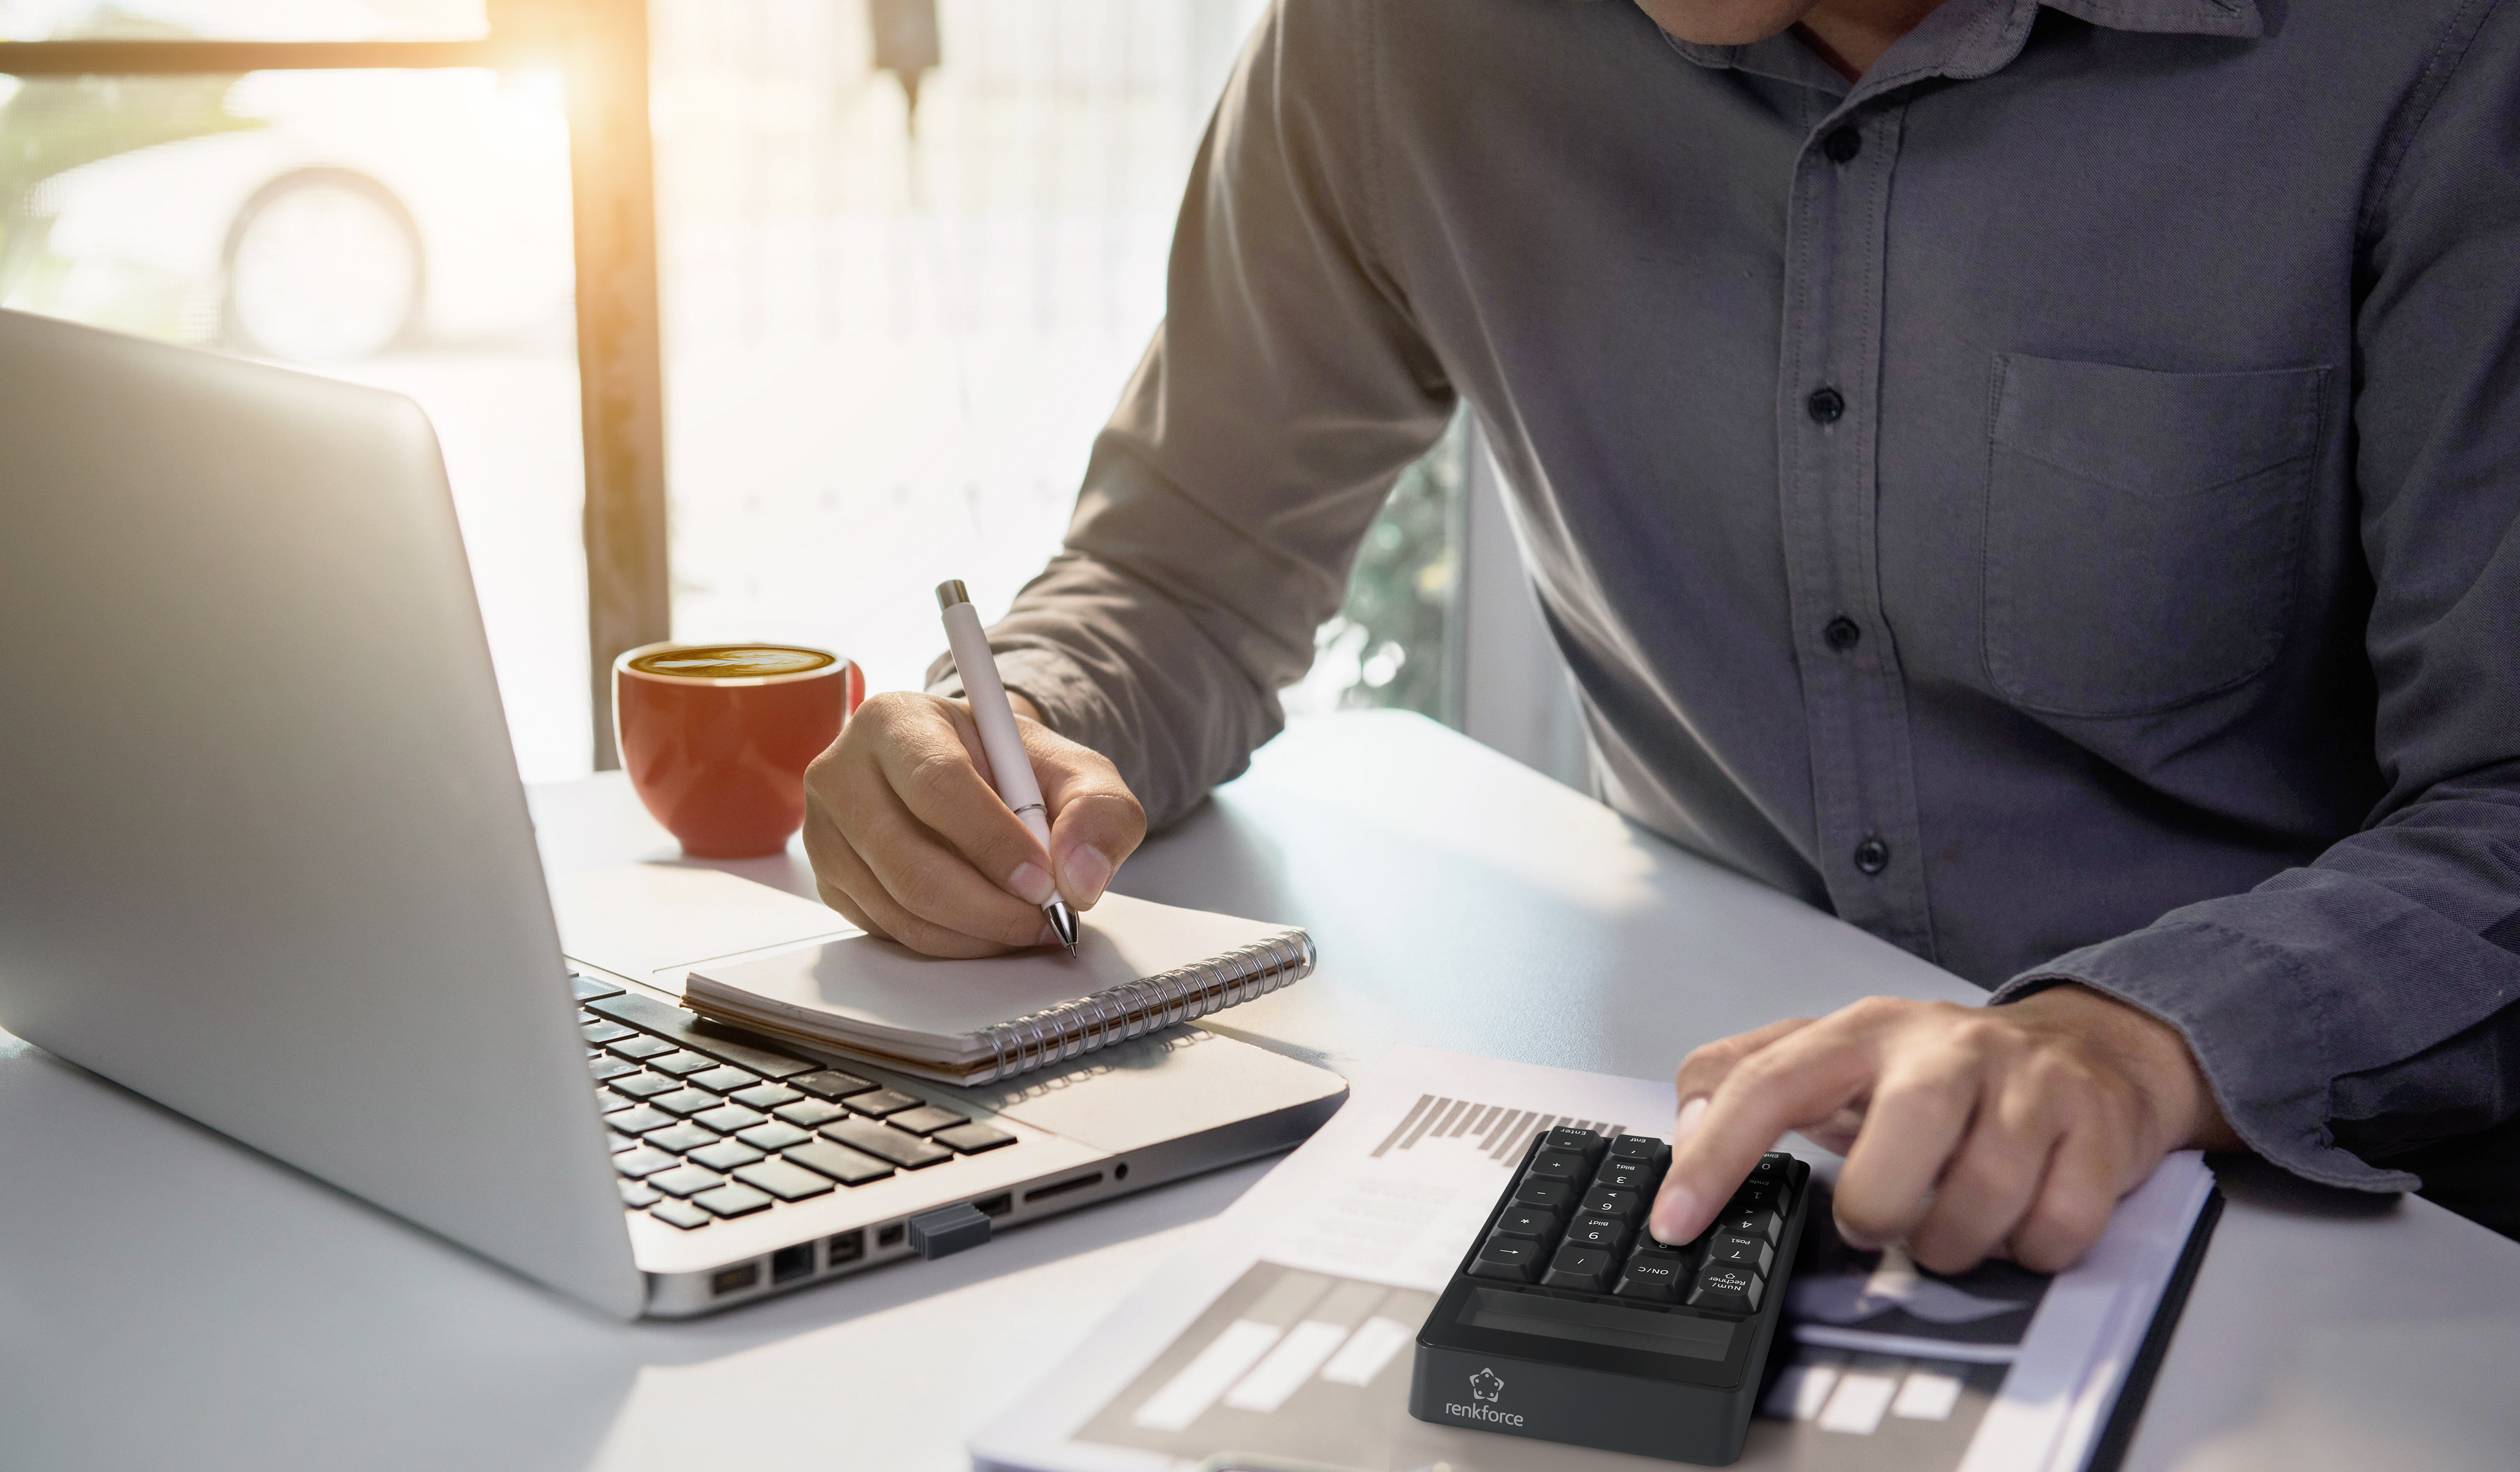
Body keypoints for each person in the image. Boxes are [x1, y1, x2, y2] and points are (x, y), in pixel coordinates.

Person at [803, 0, 2520, 1273]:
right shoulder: (1397, 40)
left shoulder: (2424, 53)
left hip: (2328, 1232)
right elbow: (1182, 567)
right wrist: (1010, 729)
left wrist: (2131, 1044)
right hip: (1668, 1162)